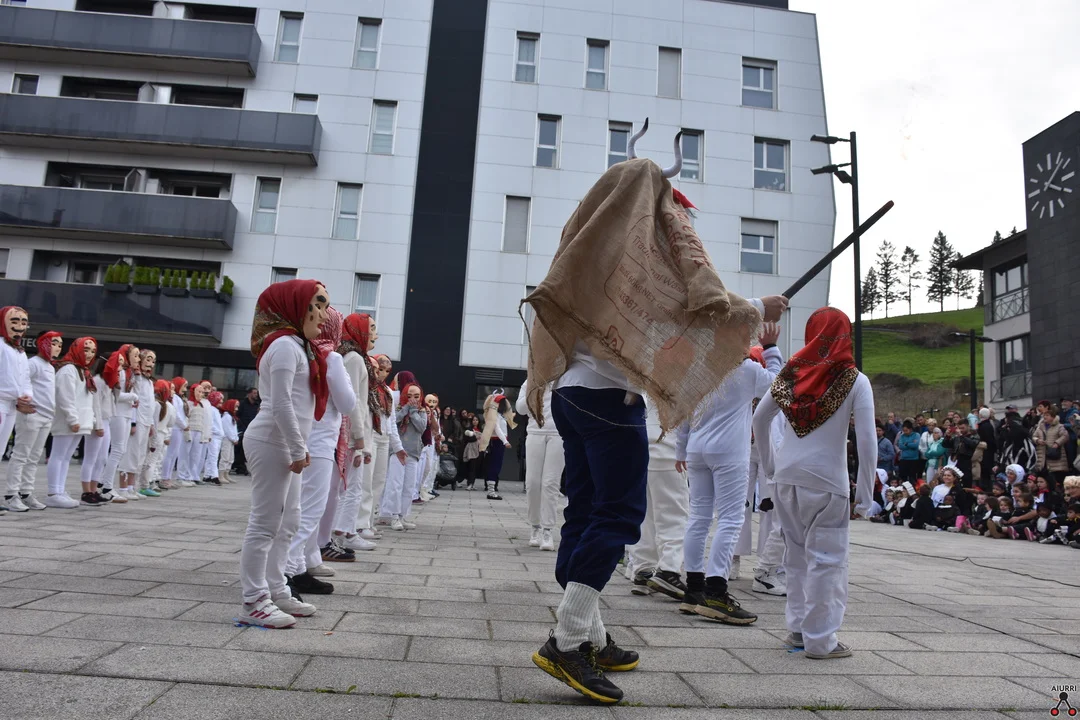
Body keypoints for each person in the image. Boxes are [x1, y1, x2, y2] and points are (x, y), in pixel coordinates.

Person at [753, 307, 876, 660]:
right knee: (827, 561)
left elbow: (759, 420)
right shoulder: (855, 380)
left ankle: (797, 629)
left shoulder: (791, 374)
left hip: (786, 478)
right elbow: (867, 442)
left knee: (795, 558)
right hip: (827, 482)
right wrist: (865, 496)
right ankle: (821, 640)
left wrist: (772, 465)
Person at [675, 323, 783, 625]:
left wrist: (680, 450)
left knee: (698, 517)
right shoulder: (746, 370)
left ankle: (693, 590)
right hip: (728, 451)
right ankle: (716, 592)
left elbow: (684, 414)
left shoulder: (697, 370)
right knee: (730, 519)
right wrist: (771, 349)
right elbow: (778, 387)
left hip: (697, 448)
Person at [238, 279, 330, 629]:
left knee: (289, 522)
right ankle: (253, 601)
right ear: (296, 306)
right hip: (271, 442)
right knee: (264, 524)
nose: (324, 315)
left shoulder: (297, 346)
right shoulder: (284, 346)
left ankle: (277, 589)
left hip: (286, 445)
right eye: (318, 304)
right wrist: (297, 447)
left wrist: (298, 445)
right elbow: (280, 403)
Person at [287, 306, 358, 596]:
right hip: (319, 441)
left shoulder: (302, 349)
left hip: (302, 437)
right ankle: (289, 571)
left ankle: (303, 562)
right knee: (310, 509)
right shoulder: (331, 356)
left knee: (298, 507)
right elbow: (347, 403)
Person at [330, 313, 377, 551]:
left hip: (352, 433)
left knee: (351, 486)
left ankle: (344, 531)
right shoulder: (354, 359)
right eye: (372, 328)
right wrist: (360, 440)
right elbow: (354, 401)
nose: (375, 335)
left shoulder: (354, 357)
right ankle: (343, 533)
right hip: (351, 435)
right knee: (351, 487)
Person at [4, 330, 61, 512]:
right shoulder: (33, 363)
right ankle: (11, 494)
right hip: (32, 415)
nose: (58, 348)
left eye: (60, 344)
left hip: (46, 416)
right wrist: (21, 404)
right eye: (53, 343)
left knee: (34, 458)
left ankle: (26, 493)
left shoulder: (50, 366)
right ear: (43, 343)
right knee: (21, 455)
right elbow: (21, 383)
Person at [47, 337, 99, 507]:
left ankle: (60, 490)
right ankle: (53, 492)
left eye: (93, 351)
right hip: (69, 421)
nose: (89, 354)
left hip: (80, 422)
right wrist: (73, 419)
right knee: (58, 456)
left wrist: (89, 420)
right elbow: (65, 397)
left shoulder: (83, 371)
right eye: (86, 350)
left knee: (66, 457)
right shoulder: (68, 370)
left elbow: (86, 399)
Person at [517, 379, 564, 551]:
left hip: (558, 434)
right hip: (535, 432)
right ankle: (535, 526)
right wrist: (536, 389)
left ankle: (547, 530)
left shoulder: (563, 378)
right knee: (532, 483)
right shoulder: (531, 381)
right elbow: (520, 408)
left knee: (550, 483)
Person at [363, 355, 404, 538]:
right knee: (366, 481)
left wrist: (398, 447)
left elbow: (392, 421)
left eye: (387, 370)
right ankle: (361, 524)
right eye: (380, 369)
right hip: (371, 435)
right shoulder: (367, 387)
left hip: (384, 438)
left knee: (378, 482)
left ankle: (369, 522)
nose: (383, 373)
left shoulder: (387, 391)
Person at [0, 307, 33, 513]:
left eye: (23, 322)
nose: (19, 326)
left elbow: (26, 379)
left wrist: (26, 395)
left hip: (12, 405)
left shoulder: (20, 351)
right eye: (14, 321)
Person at [100, 344, 140, 500]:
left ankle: (105, 482)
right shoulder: (121, 372)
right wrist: (134, 397)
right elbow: (117, 395)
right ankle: (107, 486)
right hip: (118, 413)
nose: (138, 359)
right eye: (135, 355)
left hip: (126, 413)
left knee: (121, 450)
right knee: (117, 450)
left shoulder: (129, 373)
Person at [389, 381, 429, 531]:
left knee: (409, 486)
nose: (413, 399)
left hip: (413, 452)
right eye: (409, 395)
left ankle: (402, 515)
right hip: (397, 451)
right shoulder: (398, 408)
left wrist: (413, 412)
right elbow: (394, 420)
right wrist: (406, 408)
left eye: (416, 396)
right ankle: (393, 516)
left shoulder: (422, 411)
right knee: (396, 484)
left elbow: (421, 427)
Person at [478, 391, 516, 500]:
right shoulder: (493, 416)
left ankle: (491, 490)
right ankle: (491, 491)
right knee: (494, 466)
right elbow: (497, 429)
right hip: (497, 442)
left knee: (496, 466)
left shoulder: (499, 415)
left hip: (499, 442)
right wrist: (505, 441)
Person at [160, 377, 189, 490]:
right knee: (170, 454)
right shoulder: (174, 399)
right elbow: (176, 415)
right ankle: (164, 477)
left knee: (174, 454)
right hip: (175, 428)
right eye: (184, 386)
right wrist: (184, 425)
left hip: (179, 429)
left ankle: (168, 477)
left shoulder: (179, 398)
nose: (185, 389)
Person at [1033, 407, 1069, 492]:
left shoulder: (1059, 426)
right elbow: (1034, 436)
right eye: (1044, 415)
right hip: (1043, 457)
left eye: (1047, 415)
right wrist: (1037, 440)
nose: (1045, 417)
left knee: (1057, 480)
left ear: (1053, 417)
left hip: (1055, 456)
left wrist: (1057, 443)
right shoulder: (1040, 427)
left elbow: (1065, 436)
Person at [233, 387, 260, 475]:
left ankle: (243, 466)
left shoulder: (257, 405)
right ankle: (239, 467)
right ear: (249, 394)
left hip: (253, 430)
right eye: (254, 393)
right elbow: (238, 416)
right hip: (243, 429)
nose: (256, 395)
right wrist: (241, 428)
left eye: (256, 393)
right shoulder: (243, 404)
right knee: (240, 449)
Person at [219, 399, 240, 484]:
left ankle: (226, 473)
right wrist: (234, 439)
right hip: (227, 439)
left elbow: (234, 430)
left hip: (231, 440)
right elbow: (228, 430)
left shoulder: (231, 417)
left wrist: (236, 438)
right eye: (235, 406)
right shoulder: (226, 417)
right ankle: (221, 475)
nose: (237, 409)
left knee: (230, 458)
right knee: (225, 457)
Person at [461, 415, 482, 490]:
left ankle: (472, 483)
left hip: (479, 450)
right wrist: (476, 437)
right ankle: (470, 483)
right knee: (471, 467)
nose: (475, 421)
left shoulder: (481, 429)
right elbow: (466, 439)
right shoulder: (469, 429)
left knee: (476, 468)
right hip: (471, 450)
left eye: (476, 420)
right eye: (473, 420)